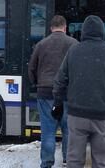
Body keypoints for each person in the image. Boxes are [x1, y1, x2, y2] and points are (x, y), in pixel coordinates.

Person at [52, 15, 105, 168]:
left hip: (77, 115)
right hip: (103, 116)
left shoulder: (74, 51)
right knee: (101, 161)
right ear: (102, 32)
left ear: (84, 32)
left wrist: (58, 102)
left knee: (74, 160)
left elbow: (59, 81)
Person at [28, 15, 78, 168]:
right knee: (68, 130)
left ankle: (47, 163)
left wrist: (37, 83)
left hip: (46, 93)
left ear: (51, 28)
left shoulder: (41, 44)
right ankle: (67, 160)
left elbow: (32, 68)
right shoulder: (74, 44)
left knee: (48, 131)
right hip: (68, 93)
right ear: (65, 28)